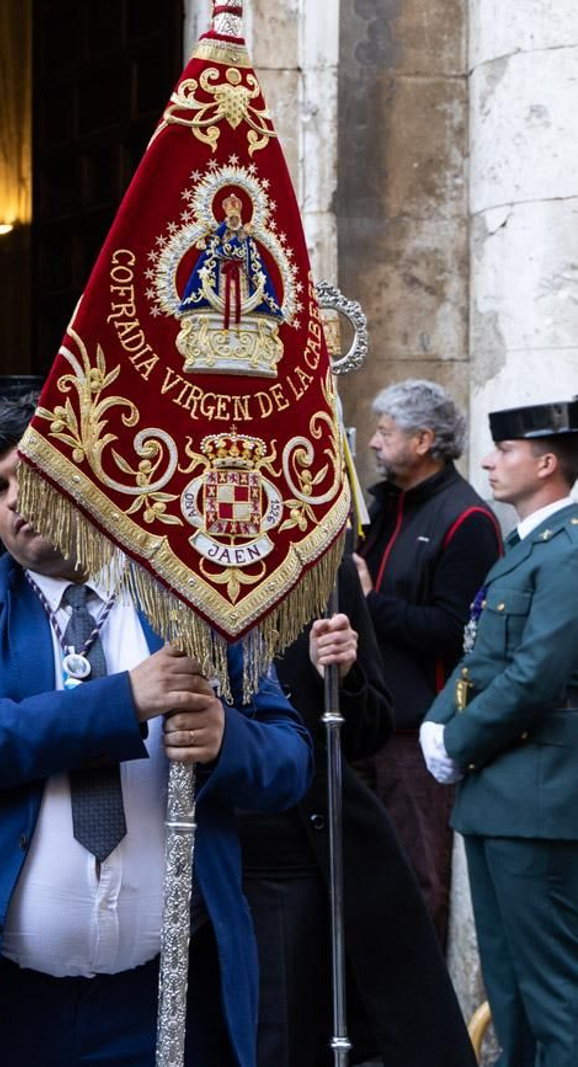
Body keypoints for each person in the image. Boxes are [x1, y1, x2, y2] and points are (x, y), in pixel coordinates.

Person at [0, 398, 313, 1067]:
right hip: (4, 1000)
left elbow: (291, 760)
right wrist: (125, 699)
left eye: (34, 478)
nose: (15, 501)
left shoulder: (193, 599)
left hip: (164, 997)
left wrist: (226, 739)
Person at [238, 551, 474, 1066]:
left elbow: (370, 730)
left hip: (289, 849)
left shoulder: (324, 564)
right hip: (186, 843)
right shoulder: (158, 552)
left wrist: (344, 675)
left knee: (284, 1037)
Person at [422, 396, 578, 1067]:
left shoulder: (567, 551)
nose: (488, 459)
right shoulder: (527, 546)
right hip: (501, 796)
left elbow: (538, 674)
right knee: (510, 995)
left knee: (552, 998)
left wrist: (456, 740)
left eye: (506, 450)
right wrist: (437, 719)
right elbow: (482, 653)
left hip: (539, 799)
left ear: (546, 463)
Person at [354, 378, 501, 941]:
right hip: (367, 722)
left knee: (418, 884)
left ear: (423, 441)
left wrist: (372, 603)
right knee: (360, 879)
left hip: (416, 736)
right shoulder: (384, 504)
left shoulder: (467, 520)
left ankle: (417, 1020)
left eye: (386, 432)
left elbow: (454, 631)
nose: (372, 443)